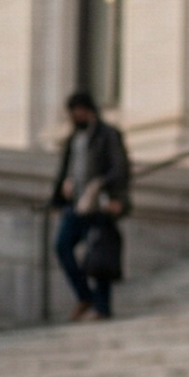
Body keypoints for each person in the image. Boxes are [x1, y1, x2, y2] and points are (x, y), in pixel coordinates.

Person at [51, 92, 131, 321]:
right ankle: (85, 296)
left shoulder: (108, 134)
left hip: (99, 205)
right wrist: (59, 196)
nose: (75, 116)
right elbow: (64, 171)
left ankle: (102, 307)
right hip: (75, 206)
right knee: (62, 246)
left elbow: (120, 168)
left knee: (98, 254)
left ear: (89, 110)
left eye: (78, 111)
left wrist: (114, 196)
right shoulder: (72, 139)